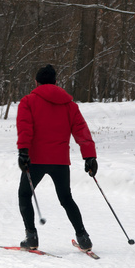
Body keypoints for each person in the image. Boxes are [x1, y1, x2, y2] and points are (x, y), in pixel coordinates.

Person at [16, 64, 98, 251]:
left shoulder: (28, 101)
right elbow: (81, 131)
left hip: (35, 160)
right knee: (66, 198)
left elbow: (25, 128)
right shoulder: (69, 105)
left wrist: (23, 152)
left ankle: (31, 238)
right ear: (56, 82)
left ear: (36, 82)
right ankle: (83, 237)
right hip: (60, 162)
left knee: (24, 194)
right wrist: (90, 157)